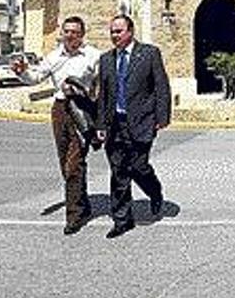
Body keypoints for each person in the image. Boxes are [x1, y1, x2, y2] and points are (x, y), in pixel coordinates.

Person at [11, 16, 101, 235]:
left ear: (82, 34)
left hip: (82, 110)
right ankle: (83, 203)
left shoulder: (94, 56)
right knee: (66, 163)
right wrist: (22, 71)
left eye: (75, 32)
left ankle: (74, 216)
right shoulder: (54, 56)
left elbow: (102, 85)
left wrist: (91, 100)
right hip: (60, 110)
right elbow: (36, 77)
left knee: (74, 163)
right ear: (62, 33)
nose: (70, 36)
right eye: (67, 31)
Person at [95, 15, 171, 239]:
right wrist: (101, 124)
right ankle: (122, 220)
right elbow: (103, 95)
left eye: (118, 31)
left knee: (139, 167)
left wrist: (162, 116)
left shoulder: (149, 54)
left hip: (142, 121)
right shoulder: (106, 59)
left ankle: (154, 192)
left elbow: (161, 86)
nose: (114, 36)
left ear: (131, 31)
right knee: (118, 172)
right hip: (115, 124)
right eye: (112, 32)